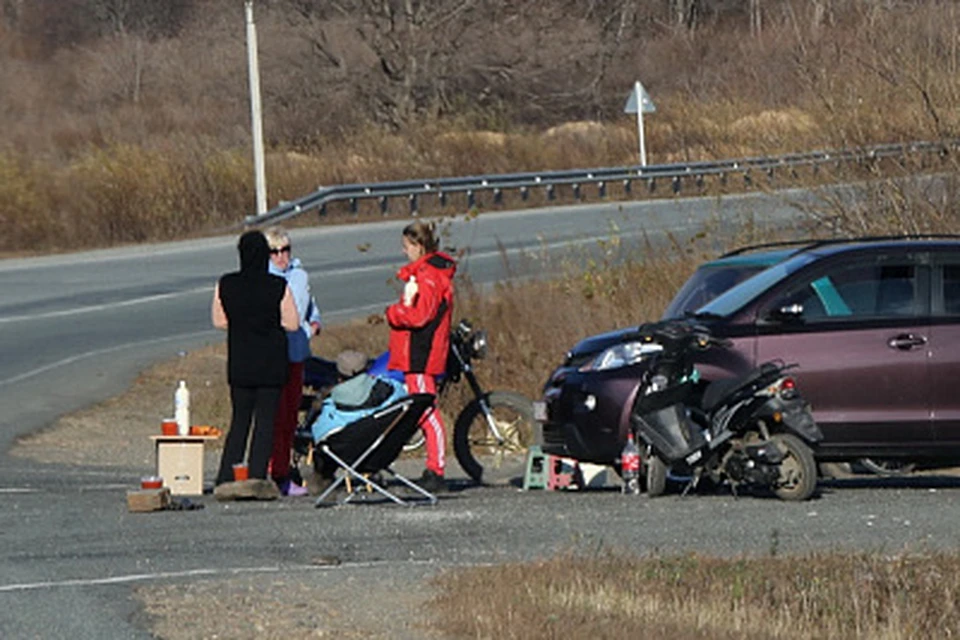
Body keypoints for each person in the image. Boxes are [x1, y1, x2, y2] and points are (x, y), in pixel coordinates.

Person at [211, 230, 300, 501]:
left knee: (239, 421)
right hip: (271, 364)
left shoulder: (226, 284)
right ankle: (257, 477)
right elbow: (293, 323)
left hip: (240, 362)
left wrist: (242, 323)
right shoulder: (277, 286)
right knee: (265, 423)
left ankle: (226, 475)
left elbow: (219, 321)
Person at [384, 221, 457, 493]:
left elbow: (420, 315)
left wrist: (394, 313)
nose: (404, 252)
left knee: (426, 410)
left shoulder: (428, 275)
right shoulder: (430, 273)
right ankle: (433, 467)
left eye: (406, 247)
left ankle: (436, 469)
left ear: (418, 246)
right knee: (423, 408)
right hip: (419, 352)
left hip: (421, 352)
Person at [264, 226, 322, 497]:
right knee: (273, 417)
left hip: (297, 353)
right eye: (274, 251)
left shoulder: (300, 275)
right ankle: (270, 471)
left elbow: (311, 309)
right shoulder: (265, 278)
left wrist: (313, 326)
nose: (280, 257)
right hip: (274, 356)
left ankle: (284, 472)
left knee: (289, 417)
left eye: (285, 250)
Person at [307, 350, 407, 494]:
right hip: (384, 451)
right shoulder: (391, 391)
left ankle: (323, 480)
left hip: (351, 454)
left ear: (340, 377)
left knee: (324, 448)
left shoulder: (334, 404)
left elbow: (319, 433)